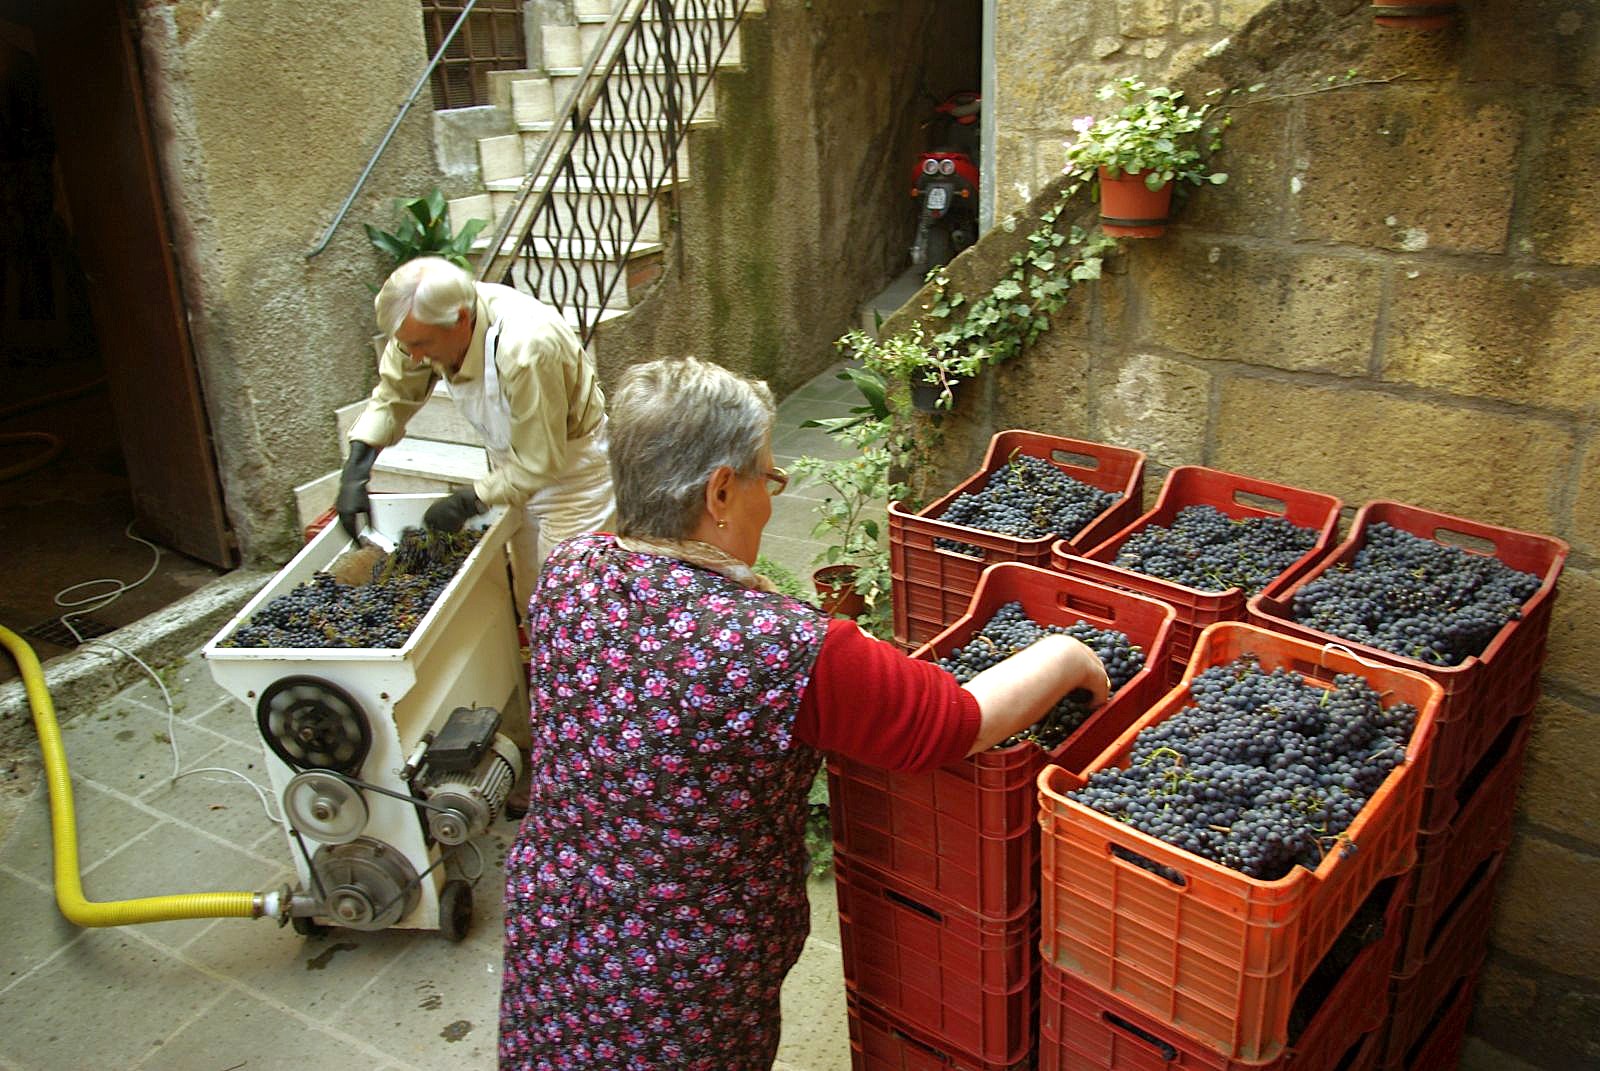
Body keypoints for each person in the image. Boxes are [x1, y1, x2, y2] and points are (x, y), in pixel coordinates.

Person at [497, 357, 1110, 1070]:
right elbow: (955, 721)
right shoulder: (779, 645)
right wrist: (1067, 654)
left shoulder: (569, 573)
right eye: (767, 475)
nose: (771, 495)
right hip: (676, 991)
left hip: (556, 934)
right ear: (720, 491)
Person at [337, 256, 616, 608]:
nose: (414, 357)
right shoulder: (419, 327)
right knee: (531, 594)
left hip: (574, 479)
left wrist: (469, 500)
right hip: (512, 469)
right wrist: (358, 463)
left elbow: (539, 461)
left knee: (571, 604)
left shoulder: (526, 347)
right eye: (405, 345)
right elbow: (395, 392)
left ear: (461, 320)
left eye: (421, 345)